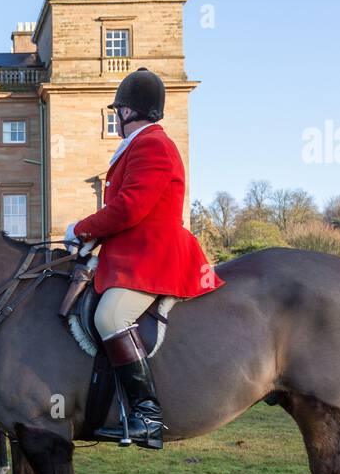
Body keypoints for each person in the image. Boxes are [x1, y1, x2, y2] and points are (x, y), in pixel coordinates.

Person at [66, 68, 225, 450]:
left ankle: (148, 415)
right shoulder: (139, 145)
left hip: (155, 254)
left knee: (110, 316)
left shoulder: (152, 145)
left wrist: (82, 228)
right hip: (131, 252)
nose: (116, 119)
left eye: (117, 111)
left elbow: (131, 207)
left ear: (126, 111)